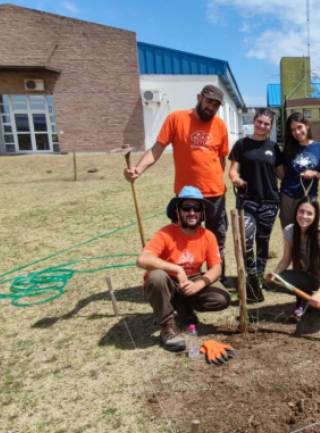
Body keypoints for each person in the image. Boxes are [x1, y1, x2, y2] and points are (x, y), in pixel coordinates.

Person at [124, 85, 230, 282]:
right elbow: (157, 149)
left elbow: (221, 158)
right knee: (184, 237)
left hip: (215, 194)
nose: (211, 107)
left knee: (217, 238)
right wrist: (138, 170)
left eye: (216, 105)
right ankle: (181, 277)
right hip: (187, 196)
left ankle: (216, 279)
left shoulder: (220, 125)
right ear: (199, 98)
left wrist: (217, 181)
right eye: (208, 102)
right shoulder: (176, 119)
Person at [137, 185, 231, 353]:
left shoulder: (207, 236)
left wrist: (199, 284)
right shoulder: (166, 233)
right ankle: (167, 326)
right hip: (168, 281)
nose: (192, 212)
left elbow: (216, 268)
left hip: (192, 279)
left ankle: (184, 308)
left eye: (196, 208)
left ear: (202, 212)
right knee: (156, 277)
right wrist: (177, 270)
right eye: (187, 208)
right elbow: (143, 259)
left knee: (221, 298)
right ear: (178, 211)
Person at [228, 108, 283, 303]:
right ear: (254, 121)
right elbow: (233, 170)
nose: (262, 126)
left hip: (269, 200)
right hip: (247, 200)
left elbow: (281, 173)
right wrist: (236, 179)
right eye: (260, 122)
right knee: (247, 240)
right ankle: (248, 276)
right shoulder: (242, 145)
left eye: (266, 124)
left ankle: (257, 279)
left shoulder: (274, 147)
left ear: (270, 126)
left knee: (263, 240)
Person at [268, 196, 320, 321]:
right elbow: (286, 259)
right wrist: (275, 274)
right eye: (301, 211)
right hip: (310, 274)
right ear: (296, 211)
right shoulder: (290, 231)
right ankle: (305, 298)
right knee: (278, 281)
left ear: (315, 216)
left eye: (309, 213)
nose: (304, 216)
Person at [279, 112, 320, 228]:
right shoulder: (288, 148)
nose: (297, 132)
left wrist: (315, 173)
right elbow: (283, 172)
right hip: (288, 196)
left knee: (308, 231)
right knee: (289, 231)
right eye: (293, 130)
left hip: (309, 197)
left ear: (307, 125)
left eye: (299, 127)